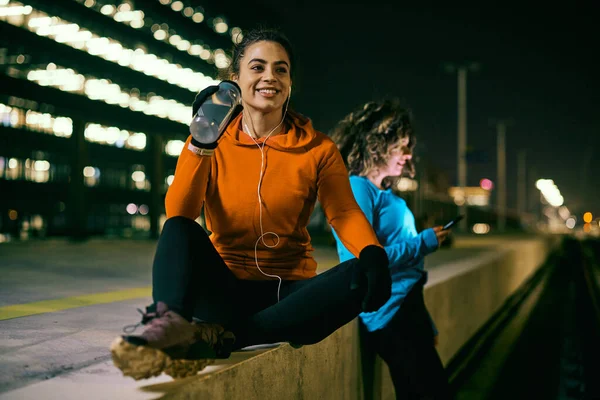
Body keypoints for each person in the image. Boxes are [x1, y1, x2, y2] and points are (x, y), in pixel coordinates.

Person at [110, 27, 392, 381]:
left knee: (359, 274)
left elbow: (345, 213)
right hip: (224, 287)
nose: (269, 77)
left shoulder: (318, 148)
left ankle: (232, 336)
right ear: (234, 79)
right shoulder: (210, 136)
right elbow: (180, 212)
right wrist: (201, 144)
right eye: (257, 68)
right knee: (179, 229)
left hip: (289, 294)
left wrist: (372, 252)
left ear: (289, 83)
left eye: (281, 69)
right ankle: (170, 323)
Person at [329, 100, 452, 399]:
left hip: (409, 309)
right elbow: (359, 258)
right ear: (377, 143)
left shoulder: (386, 194)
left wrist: (426, 321)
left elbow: (409, 272)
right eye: (402, 146)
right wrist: (423, 242)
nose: (408, 155)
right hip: (389, 314)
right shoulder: (358, 187)